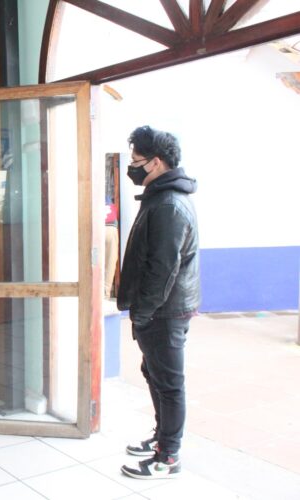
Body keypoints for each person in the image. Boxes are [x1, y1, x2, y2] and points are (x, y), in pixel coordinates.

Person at [117, 126, 200, 480]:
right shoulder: (160, 197)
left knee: (168, 383)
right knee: (154, 374)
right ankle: (161, 439)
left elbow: (163, 268)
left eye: (136, 161)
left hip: (164, 311)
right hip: (160, 309)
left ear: (156, 162)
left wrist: (144, 313)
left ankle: (169, 456)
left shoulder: (168, 205)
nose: (132, 167)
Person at [104, 195, 119, 298]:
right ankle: (105, 293)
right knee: (110, 261)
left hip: (95, 223)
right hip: (111, 225)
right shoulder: (106, 196)